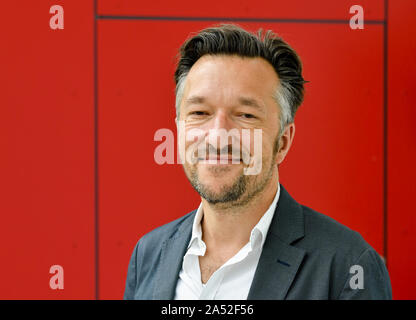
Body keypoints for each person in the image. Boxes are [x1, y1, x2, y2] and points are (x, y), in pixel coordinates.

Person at [123, 24, 392, 300]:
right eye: (200, 112)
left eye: (246, 116)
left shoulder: (347, 266)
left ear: (282, 143)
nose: (217, 137)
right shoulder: (149, 254)